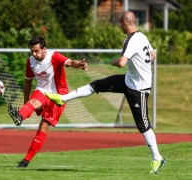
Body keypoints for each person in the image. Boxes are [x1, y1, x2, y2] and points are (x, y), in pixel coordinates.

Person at [45, 11, 166, 174]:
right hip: (128, 81)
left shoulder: (131, 40)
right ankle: (62, 98)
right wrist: (140, 66)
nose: (118, 26)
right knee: (96, 85)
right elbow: (153, 55)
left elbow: (122, 63)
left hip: (139, 88)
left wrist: (114, 61)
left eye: (119, 23)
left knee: (143, 125)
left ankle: (157, 158)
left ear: (125, 23)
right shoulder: (142, 37)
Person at [8, 35, 88, 168]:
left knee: (44, 125)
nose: (34, 54)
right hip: (41, 90)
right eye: (32, 51)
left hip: (59, 94)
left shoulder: (54, 56)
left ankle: (25, 161)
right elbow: (28, 81)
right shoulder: (30, 61)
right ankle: (20, 116)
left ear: (44, 49)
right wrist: (25, 101)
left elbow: (69, 62)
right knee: (32, 103)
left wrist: (79, 64)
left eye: (36, 51)